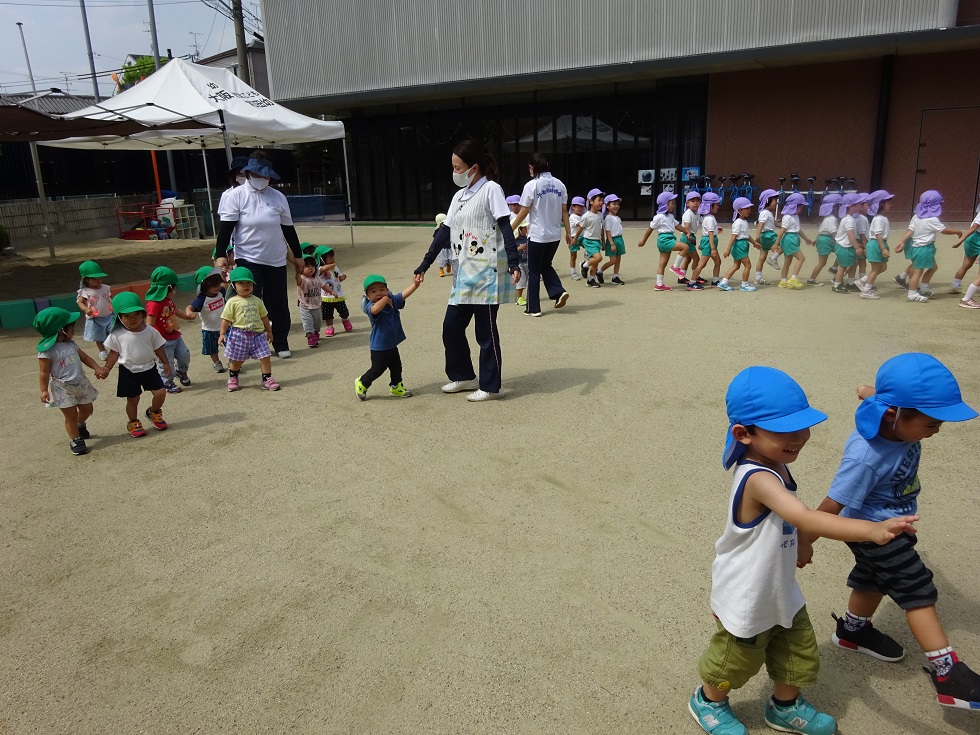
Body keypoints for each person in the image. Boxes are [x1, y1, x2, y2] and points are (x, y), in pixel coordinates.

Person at [689, 366, 919, 735]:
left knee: (798, 650)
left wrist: (797, 542)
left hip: (778, 587)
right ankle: (708, 700)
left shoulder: (774, 461)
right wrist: (871, 529)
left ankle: (784, 706)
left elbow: (786, 521)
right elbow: (804, 516)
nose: (799, 437)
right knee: (735, 659)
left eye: (803, 426)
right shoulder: (758, 477)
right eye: (784, 431)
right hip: (747, 594)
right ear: (743, 434)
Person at [813, 353, 980, 711]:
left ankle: (853, 631)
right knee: (917, 588)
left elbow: (874, 395)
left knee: (873, 577)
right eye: (931, 424)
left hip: (890, 522)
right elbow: (832, 504)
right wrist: (802, 542)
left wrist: (867, 391)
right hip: (874, 529)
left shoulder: (892, 413)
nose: (937, 430)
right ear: (893, 415)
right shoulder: (866, 456)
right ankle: (947, 674)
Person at [414, 139, 521, 401]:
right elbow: (444, 232)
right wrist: (425, 263)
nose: (455, 172)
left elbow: (505, 226)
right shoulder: (458, 197)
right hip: (463, 273)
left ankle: (491, 387)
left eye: (458, 167)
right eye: (453, 167)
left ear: (474, 167)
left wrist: (514, 261)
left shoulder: (491, 189)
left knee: (485, 333)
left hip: (486, 272)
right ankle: (463, 375)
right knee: (451, 327)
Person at [214, 150, 305, 358]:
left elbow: (289, 229)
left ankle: (280, 342)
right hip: (248, 258)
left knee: (279, 302)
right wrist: (221, 254)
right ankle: (250, 344)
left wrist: (298, 255)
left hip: (276, 258)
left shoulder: (278, 197)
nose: (262, 178)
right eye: (257, 174)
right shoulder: (235, 196)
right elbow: (226, 229)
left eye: (266, 175)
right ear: (247, 173)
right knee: (250, 302)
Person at [508, 152, 572, 314]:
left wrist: (510, 228)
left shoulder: (531, 185)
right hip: (555, 235)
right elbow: (564, 211)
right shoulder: (560, 185)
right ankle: (558, 291)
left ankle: (533, 308)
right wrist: (568, 232)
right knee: (545, 265)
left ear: (532, 167)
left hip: (537, 235)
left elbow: (523, 212)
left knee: (534, 271)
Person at [101, 292, 170, 439]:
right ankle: (133, 421)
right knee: (133, 399)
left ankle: (153, 411)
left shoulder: (150, 331)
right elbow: (113, 353)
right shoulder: (117, 335)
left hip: (149, 368)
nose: (132, 319)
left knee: (161, 392)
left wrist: (165, 363)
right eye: (127, 316)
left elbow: (158, 347)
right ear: (119, 317)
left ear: (143, 314)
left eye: (136, 315)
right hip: (129, 371)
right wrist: (107, 368)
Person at [34, 307, 101, 455]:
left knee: (88, 410)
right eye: (72, 328)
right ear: (61, 330)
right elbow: (44, 372)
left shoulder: (71, 344)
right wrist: (44, 390)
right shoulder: (47, 351)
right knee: (70, 416)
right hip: (62, 387)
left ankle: (80, 424)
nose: (74, 331)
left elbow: (85, 358)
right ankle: (76, 439)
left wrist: (97, 368)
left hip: (81, 383)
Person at [354, 274, 418, 400]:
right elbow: (375, 310)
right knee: (377, 369)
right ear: (367, 295)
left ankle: (396, 386)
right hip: (379, 346)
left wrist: (415, 285)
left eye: (382, 289)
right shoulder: (370, 306)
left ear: (387, 290)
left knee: (397, 367)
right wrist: (385, 299)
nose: (379, 293)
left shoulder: (392, 300)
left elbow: (403, 295)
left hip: (392, 344)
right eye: (373, 291)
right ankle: (362, 382)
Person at [219, 267, 280, 392]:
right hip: (239, 335)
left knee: (265, 357)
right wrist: (222, 334)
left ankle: (267, 379)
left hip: (258, 335)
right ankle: (233, 377)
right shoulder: (232, 302)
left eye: (249, 283)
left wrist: (269, 331)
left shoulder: (257, 300)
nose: (246, 285)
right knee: (237, 360)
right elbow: (226, 320)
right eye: (241, 283)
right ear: (233, 285)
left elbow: (264, 317)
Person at [895, 190, 963, 303]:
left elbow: (910, 230)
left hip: (923, 247)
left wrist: (902, 241)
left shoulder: (916, 217)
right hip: (923, 248)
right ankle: (912, 293)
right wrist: (957, 232)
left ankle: (923, 288)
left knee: (933, 267)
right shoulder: (932, 219)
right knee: (918, 272)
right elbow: (943, 230)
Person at [637, 191, 700, 291]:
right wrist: (643, 241)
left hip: (668, 240)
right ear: (665, 204)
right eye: (672, 203)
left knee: (662, 264)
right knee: (685, 247)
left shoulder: (670, 216)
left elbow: (678, 226)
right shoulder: (659, 217)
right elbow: (650, 229)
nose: (674, 205)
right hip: (664, 240)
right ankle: (675, 266)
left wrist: (686, 231)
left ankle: (659, 284)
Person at [144, 266, 193, 393]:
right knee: (167, 363)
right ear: (168, 288)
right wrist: (150, 340)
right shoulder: (154, 304)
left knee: (185, 355)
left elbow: (176, 311)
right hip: (163, 341)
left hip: (175, 336)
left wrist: (187, 317)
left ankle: (181, 372)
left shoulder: (168, 300)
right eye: (175, 288)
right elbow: (149, 323)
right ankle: (166, 382)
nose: (176, 290)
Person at [185, 266, 227, 373]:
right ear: (204, 286)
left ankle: (232, 359)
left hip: (225, 326)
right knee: (212, 348)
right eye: (214, 285)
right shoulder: (202, 298)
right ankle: (216, 362)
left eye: (218, 284)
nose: (217, 287)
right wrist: (189, 312)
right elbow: (190, 307)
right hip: (209, 329)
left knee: (231, 344)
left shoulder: (221, 291)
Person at [856, 190, 895, 299]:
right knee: (875, 269)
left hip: (880, 243)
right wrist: (883, 249)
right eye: (888, 203)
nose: (890, 205)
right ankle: (866, 291)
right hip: (876, 244)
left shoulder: (882, 218)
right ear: (881, 204)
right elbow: (878, 234)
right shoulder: (878, 219)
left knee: (883, 267)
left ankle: (862, 281)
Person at [716, 197, 759, 292]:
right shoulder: (738, 223)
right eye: (746, 208)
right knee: (748, 265)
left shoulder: (744, 222)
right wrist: (728, 250)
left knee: (736, 266)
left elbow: (746, 235)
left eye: (749, 208)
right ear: (739, 210)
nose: (749, 210)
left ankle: (724, 282)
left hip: (742, 245)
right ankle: (744, 284)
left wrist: (754, 243)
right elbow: (733, 237)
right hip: (740, 246)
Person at [76, 260, 113, 360]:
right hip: (95, 318)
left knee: (114, 332)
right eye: (94, 279)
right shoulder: (85, 291)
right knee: (98, 336)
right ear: (86, 280)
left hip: (109, 316)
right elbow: (80, 302)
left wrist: (114, 305)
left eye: (100, 277)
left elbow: (110, 298)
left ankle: (115, 349)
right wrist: (85, 309)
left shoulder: (105, 288)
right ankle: (102, 351)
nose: (98, 280)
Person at [775, 192, 814, 289]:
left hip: (793, 239)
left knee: (787, 262)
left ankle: (783, 281)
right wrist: (777, 243)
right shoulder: (787, 217)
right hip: (789, 240)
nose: (800, 209)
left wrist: (806, 238)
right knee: (801, 258)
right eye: (799, 207)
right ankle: (793, 278)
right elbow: (782, 230)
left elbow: (798, 229)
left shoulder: (795, 217)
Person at [570, 189, 605, 287]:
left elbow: (601, 229)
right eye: (599, 200)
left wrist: (603, 241)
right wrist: (575, 239)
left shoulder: (600, 215)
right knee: (598, 258)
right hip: (589, 241)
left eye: (602, 200)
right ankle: (584, 265)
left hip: (597, 241)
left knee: (595, 262)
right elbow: (580, 229)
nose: (601, 203)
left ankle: (591, 279)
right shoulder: (586, 216)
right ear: (591, 201)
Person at [807, 192, 841, 285]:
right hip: (827, 240)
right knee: (823, 262)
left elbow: (821, 231)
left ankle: (834, 269)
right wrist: (840, 241)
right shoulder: (832, 219)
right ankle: (811, 279)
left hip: (823, 239)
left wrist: (816, 239)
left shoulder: (826, 217)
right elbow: (833, 233)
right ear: (834, 207)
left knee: (839, 254)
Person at [832, 194, 863, 294]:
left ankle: (850, 283)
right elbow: (850, 235)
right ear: (851, 206)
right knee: (843, 267)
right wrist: (857, 247)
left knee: (853, 263)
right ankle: (837, 285)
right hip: (844, 246)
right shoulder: (849, 220)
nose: (861, 205)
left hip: (846, 246)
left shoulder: (848, 218)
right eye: (859, 204)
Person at [313, 246, 347, 336]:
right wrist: (332, 265)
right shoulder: (319, 269)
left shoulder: (335, 268)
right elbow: (323, 269)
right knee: (328, 314)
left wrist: (342, 278)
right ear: (322, 259)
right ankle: (330, 327)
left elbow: (338, 278)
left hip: (338, 294)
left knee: (343, 311)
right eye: (330, 257)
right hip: (326, 296)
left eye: (333, 257)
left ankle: (345, 320)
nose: (333, 259)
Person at [690, 192, 722, 287]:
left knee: (718, 261)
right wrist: (713, 249)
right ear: (710, 206)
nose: (718, 207)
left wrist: (716, 229)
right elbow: (710, 234)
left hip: (708, 242)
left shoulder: (707, 218)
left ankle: (715, 281)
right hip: (709, 243)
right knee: (702, 264)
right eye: (716, 205)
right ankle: (692, 282)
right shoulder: (710, 219)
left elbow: (706, 231)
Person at [949, 200, 980, 295]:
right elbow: (974, 227)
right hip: (975, 238)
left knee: (966, 265)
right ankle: (972, 292)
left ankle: (955, 285)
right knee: (967, 265)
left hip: (971, 239)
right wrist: (960, 241)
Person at [671, 190, 702, 282]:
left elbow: (702, 221)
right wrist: (688, 234)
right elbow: (686, 225)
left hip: (690, 236)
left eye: (697, 201)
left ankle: (681, 278)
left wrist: (715, 227)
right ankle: (695, 276)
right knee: (696, 258)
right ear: (687, 203)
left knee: (688, 259)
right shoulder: (688, 213)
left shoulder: (696, 213)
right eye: (692, 201)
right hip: (687, 237)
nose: (695, 203)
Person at [296, 255, 324, 348]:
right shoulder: (302, 278)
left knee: (317, 321)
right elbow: (298, 281)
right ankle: (310, 336)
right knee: (307, 321)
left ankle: (315, 332)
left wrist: (331, 291)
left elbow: (323, 286)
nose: (310, 268)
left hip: (316, 304)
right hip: (305, 306)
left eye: (312, 266)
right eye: (307, 266)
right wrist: (298, 272)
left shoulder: (317, 278)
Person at [507, 195, 531, 304]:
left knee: (529, 280)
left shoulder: (527, 238)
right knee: (521, 280)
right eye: (524, 228)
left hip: (527, 262)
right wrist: (520, 248)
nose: (526, 229)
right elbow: (511, 251)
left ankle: (529, 297)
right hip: (519, 263)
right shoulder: (514, 240)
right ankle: (519, 298)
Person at [599, 194, 626, 285]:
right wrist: (612, 244)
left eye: (617, 204)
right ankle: (600, 271)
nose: (616, 206)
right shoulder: (608, 218)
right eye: (614, 204)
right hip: (612, 240)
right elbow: (608, 232)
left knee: (618, 260)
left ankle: (615, 276)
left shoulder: (617, 218)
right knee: (613, 260)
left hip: (619, 239)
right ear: (607, 206)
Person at [756, 189, 779, 283]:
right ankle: (773, 258)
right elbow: (760, 225)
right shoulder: (765, 213)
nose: (776, 203)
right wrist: (757, 237)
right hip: (768, 235)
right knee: (785, 242)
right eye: (775, 200)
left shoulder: (768, 213)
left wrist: (784, 225)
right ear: (768, 200)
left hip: (764, 237)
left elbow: (775, 223)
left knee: (762, 258)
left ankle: (758, 277)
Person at [567, 196, 586, 280]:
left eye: (581, 206)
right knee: (573, 256)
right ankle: (573, 272)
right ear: (572, 207)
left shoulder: (584, 216)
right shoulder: (572, 217)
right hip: (574, 237)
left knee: (590, 250)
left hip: (584, 237)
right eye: (578, 206)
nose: (580, 208)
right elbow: (580, 225)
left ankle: (584, 264)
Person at [434, 213, 453, 277]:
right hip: (441, 248)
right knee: (442, 259)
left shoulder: (449, 229)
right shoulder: (437, 231)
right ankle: (441, 270)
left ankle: (448, 265)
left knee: (451, 258)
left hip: (450, 247)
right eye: (442, 223)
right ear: (439, 223)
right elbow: (435, 239)